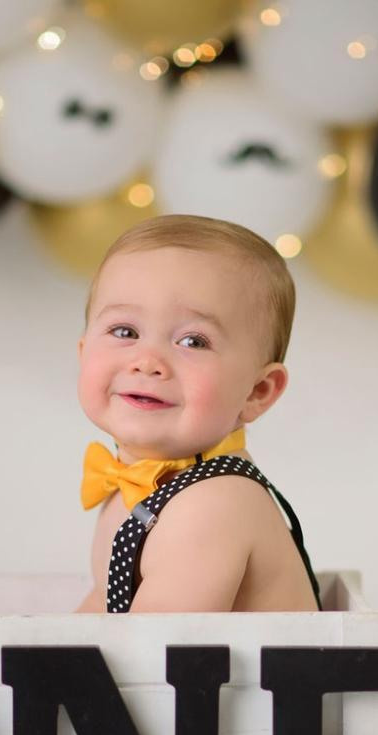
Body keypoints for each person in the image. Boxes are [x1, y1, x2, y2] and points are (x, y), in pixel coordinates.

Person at [74, 214, 321, 614]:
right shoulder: (138, 485)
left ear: (257, 392)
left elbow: (147, 657)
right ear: (84, 354)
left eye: (193, 340)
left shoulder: (211, 505)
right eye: (125, 332)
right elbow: (101, 610)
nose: (147, 361)